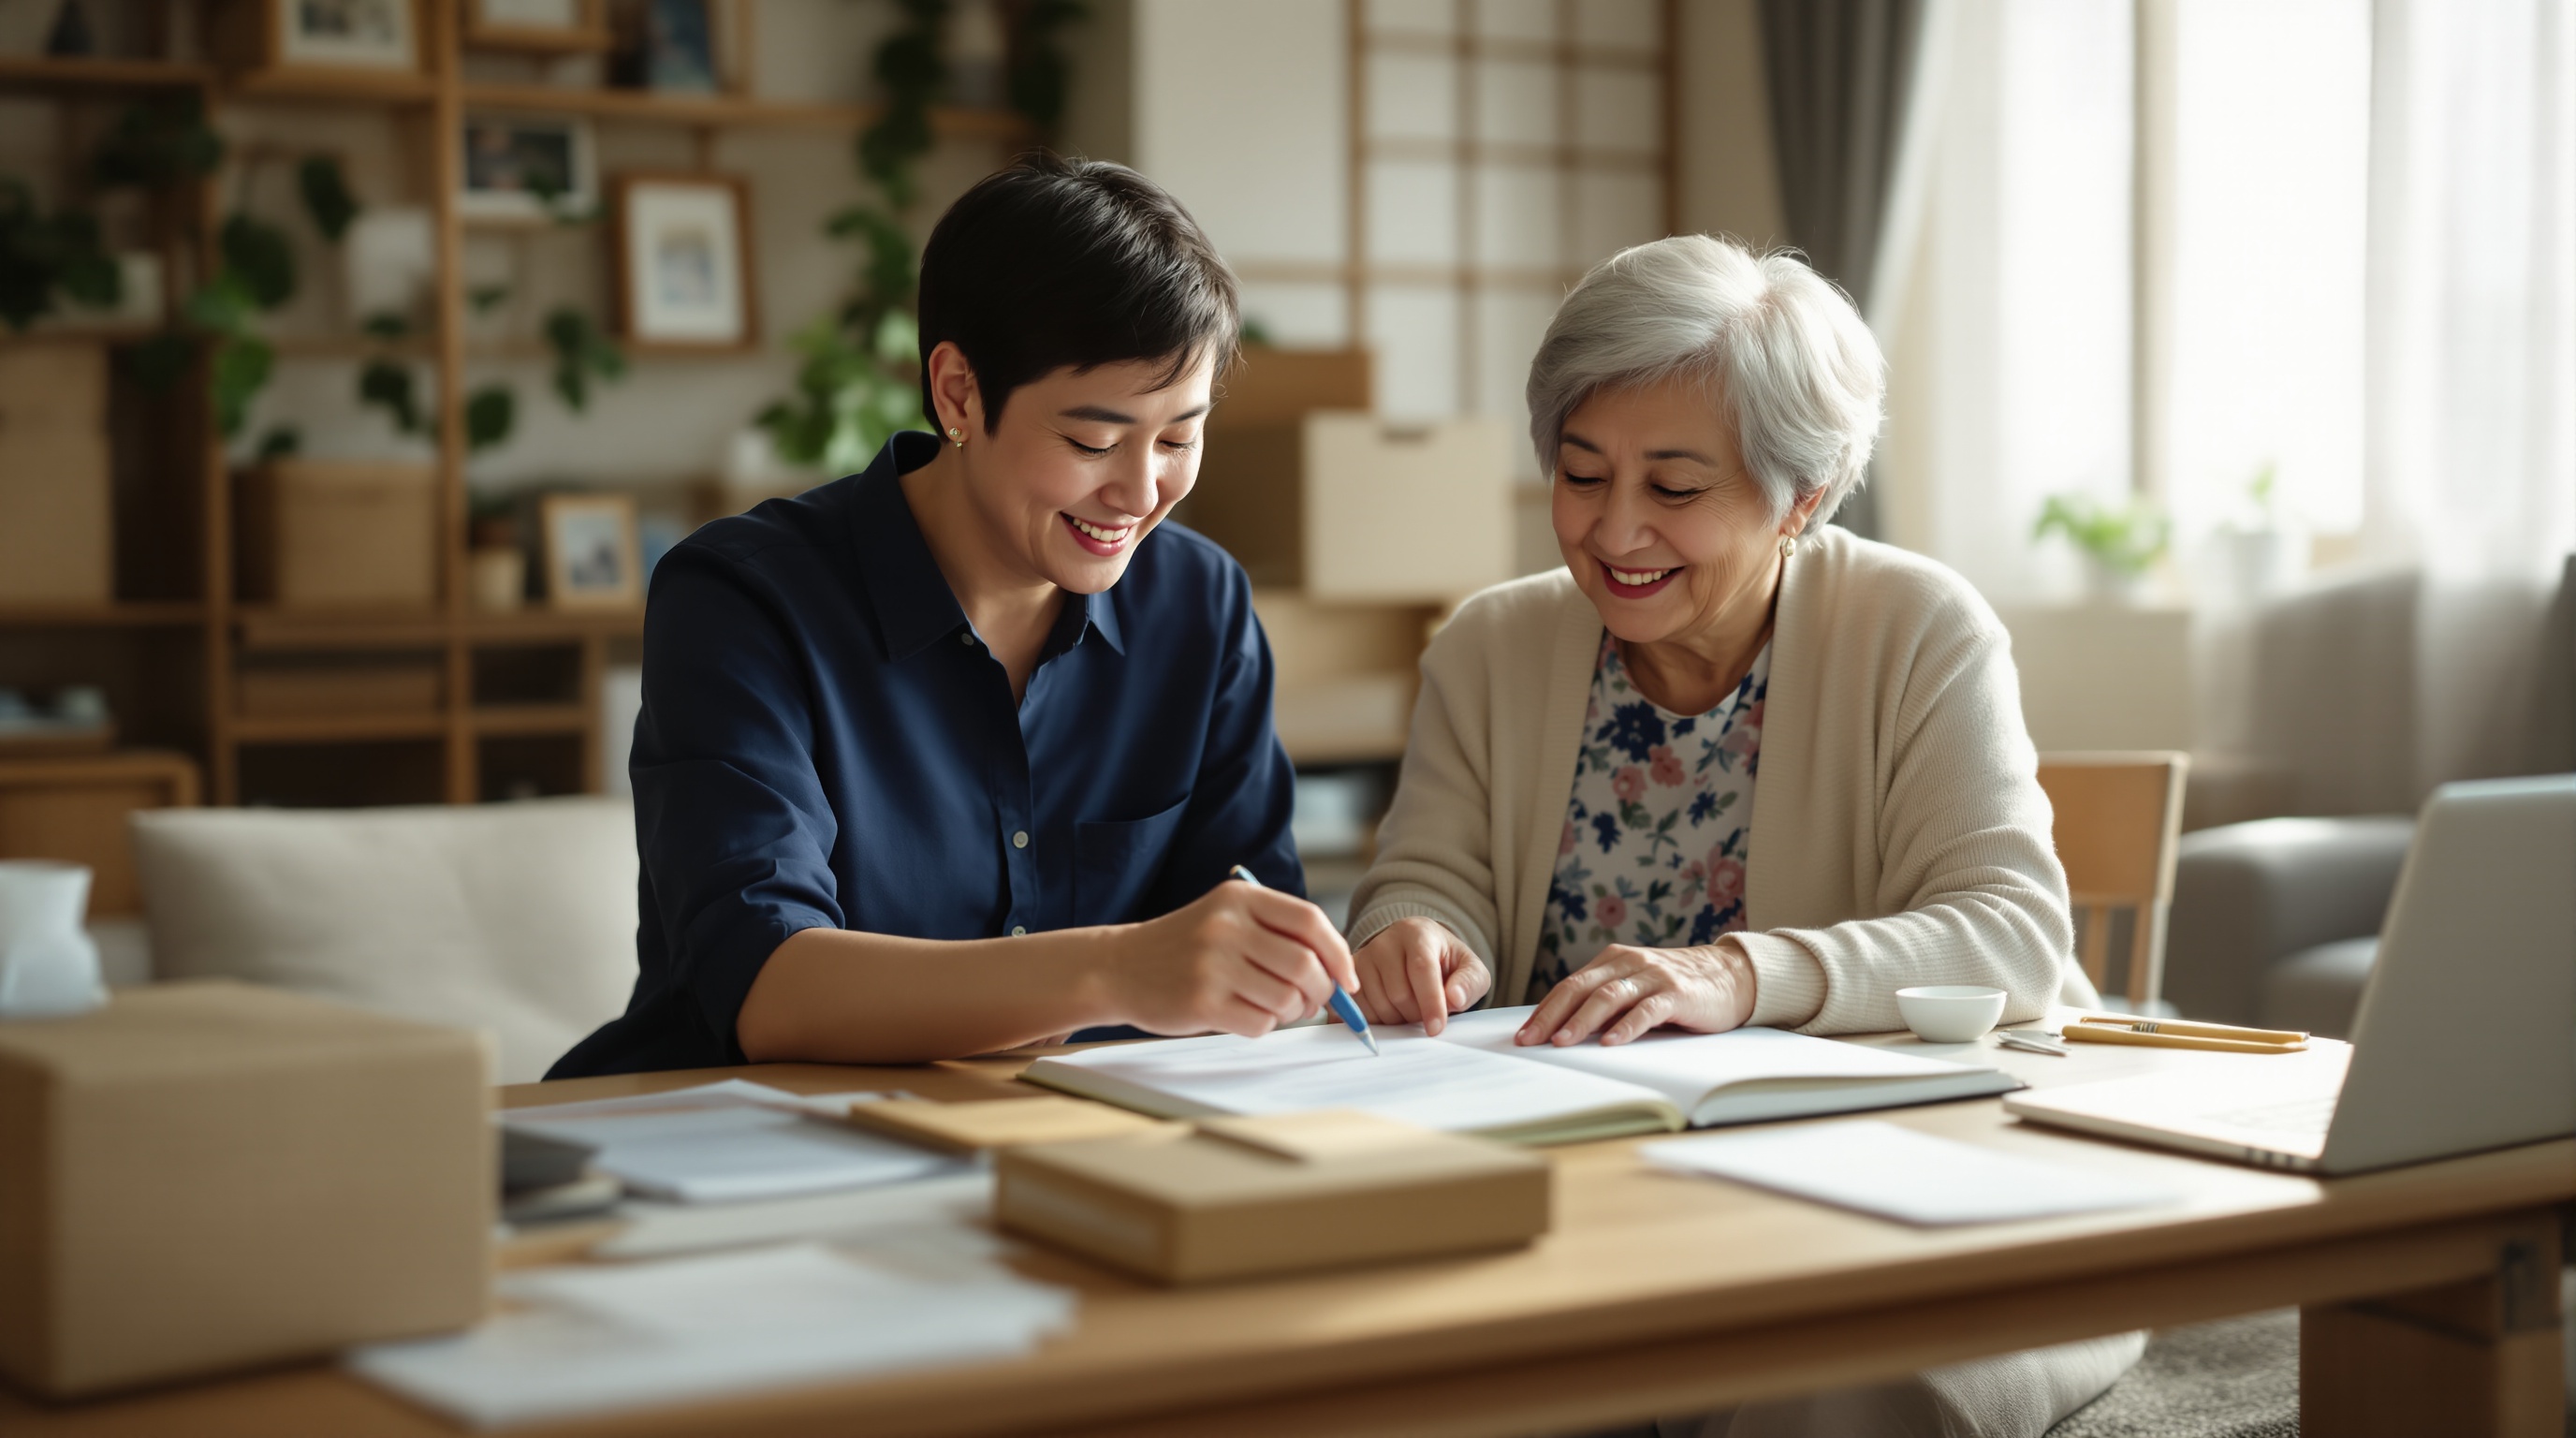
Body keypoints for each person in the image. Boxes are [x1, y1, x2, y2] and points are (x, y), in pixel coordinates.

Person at [1343, 235, 2137, 1437]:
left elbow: (2009, 933)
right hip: (1603, 1192)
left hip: (1927, 1175)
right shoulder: (1488, 646)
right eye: (1581, 475)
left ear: (1800, 497)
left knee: (1831, 1386)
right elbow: (1425, 874)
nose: (1614, 531)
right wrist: (1416, 933)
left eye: (1673, 490)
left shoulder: (1917, 628)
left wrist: (1737, 975)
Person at [550, 154, 1355, 1078]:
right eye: (1092, 441)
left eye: (1179, 436)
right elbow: (768, 985)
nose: (1141, 493)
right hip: (738, 1129)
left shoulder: (1199, 607)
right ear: (959, 394)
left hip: (1067, 1134)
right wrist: (1115, 969)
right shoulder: (743, 601)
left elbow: (1251, 944)